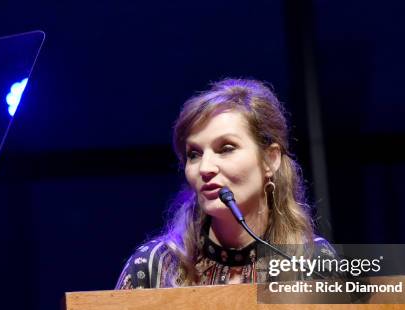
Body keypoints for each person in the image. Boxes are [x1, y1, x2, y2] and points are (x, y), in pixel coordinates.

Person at [115, 78, 335, 290]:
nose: (205, 168)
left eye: (226, 148)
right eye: (194, 154)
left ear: (270, 159)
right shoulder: (152, 268)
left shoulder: (313, 263)